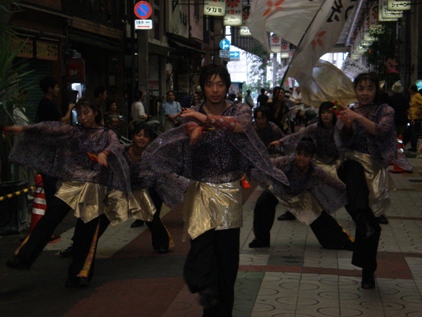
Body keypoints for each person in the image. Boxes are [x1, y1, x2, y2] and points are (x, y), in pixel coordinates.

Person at [141, 64, 287, 317]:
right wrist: (195, 129)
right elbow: (189, 130)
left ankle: (220, 308)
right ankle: (205, 288)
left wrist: (206, 120)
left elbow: (241, 126)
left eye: (220, 84)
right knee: (202, 246)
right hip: (200, 191)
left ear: (228, 85)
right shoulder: (191, 113)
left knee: (227, 260)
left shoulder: (240, 110)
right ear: (203, 86)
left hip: (229, 191)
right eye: (210, 84)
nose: (215, 89)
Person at [4, 99, 135, 288]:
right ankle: (23, 257)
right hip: (72, 184)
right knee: (50, 218)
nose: (83, 117)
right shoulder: (73, 132)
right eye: (80, 114)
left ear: (95, 113)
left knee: (86, 231)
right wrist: (22, 129)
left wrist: (104, 154)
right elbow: (49, 128)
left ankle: (77, 274)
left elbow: (115, 146)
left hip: (93, 186)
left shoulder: (107, 134)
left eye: (87, 113)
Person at [337, 72, 412, 289]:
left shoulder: (385, 110)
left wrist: (357, 117)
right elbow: (344, 138)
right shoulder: (350, 108)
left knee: (371, 228)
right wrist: (347, 124)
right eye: (361, 88)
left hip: (375, 170)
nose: (365, 93)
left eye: (369, 88)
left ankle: (367, 273)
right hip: (353, 166)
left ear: (376, 90)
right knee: (350, 168)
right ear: (355, 90)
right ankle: (361, 216)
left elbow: (380, 130)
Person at [249, 137, 353, 250]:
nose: (301, 158)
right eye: (299, 154)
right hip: (278, 191)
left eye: (306, 155)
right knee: (262, 204)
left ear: (311, 157)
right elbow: (266, 165)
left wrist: (349, 190)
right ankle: (261, 239)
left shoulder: (315, 171)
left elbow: (332, 182)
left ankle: (341, 241)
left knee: (318, 216)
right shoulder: (285, 162)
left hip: (300, 196)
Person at [125, 121, 184, 253]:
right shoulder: (124, 150)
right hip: (131, 189)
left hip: (153, 189)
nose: (141, 138)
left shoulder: (155, 153)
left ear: (150, 139)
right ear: (133, 136)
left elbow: (166, 172)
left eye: (145, 136)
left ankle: (162, 244)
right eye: (138, 135)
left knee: (152, 216)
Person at [36, 76, 75, 205]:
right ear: (50, 89)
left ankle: (50, 202)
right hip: (49, 147)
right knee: (50, 179)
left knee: (50, 178)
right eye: (56, 87)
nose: (58, 90)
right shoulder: (49, 104)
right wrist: (70, 109)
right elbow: (63, 121)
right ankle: (51, 204)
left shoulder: (42, 104)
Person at [404, 85, 422, 152]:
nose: (408, 90)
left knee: (413, 132)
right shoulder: (413, 96)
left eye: (409, 89)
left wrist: (419, 109)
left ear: (412, 90)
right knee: (409, 131)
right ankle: (408, 144)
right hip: (412, 116)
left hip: (415, 117)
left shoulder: (417, 95)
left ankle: (414, 146)